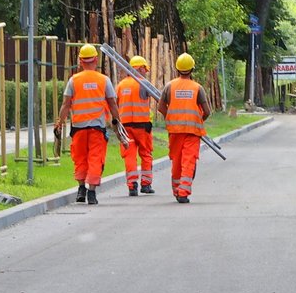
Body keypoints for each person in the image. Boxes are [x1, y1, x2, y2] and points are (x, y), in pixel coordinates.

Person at [54, 44, 124, 205]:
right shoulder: (103, 80)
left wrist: (60, 123)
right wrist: (116, 121)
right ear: (96, 60)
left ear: (80, 61)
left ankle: (81, 189)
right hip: (96, 129)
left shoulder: (74, 80)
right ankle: (91, 192)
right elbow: (112, 103)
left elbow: (66, 104)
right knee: (95, 158)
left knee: (80, 158)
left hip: (78, 129)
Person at [157, 53, 211, 204]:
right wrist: (198, 120)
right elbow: (207, 111)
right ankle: (183, 192)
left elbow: (161, 107)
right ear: (192, 69)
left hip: (175, 131)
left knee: (177, 160)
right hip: (192, 132)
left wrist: (172, 117)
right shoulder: (197, 88)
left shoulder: (169, 86)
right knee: (189, 161)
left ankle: (176, 189)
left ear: (177, 69)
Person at [117, 55, 155, 196]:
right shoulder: (144, 84)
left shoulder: (121, 85)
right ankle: (146, 184)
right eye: (145, 68)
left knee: (129, 156)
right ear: (139, 68)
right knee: (146, 154)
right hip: (142, 126)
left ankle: (132, 185)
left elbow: (115, 103)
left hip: (126, 127)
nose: (146, 71)